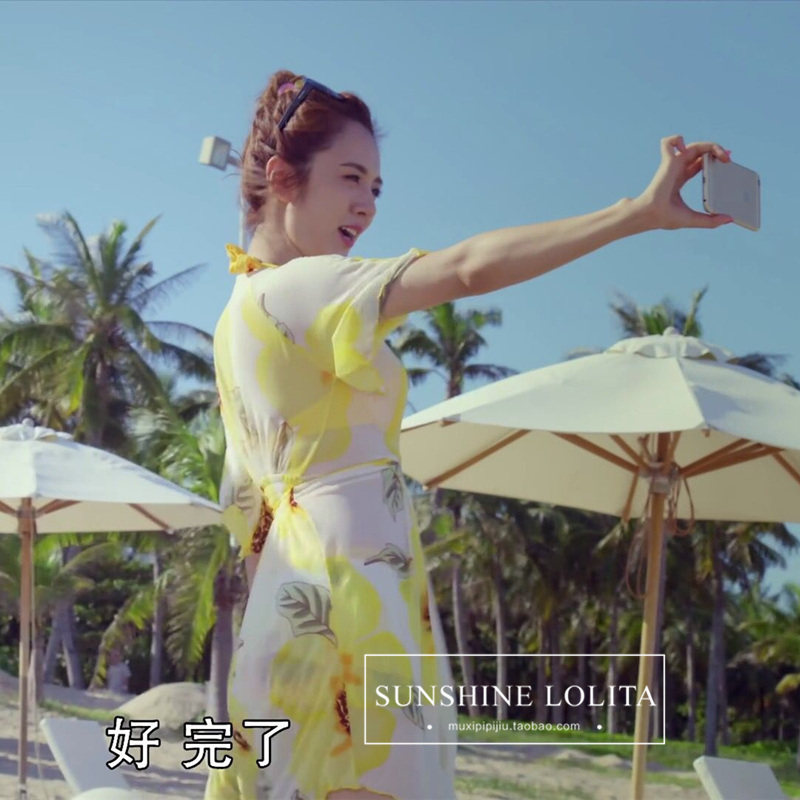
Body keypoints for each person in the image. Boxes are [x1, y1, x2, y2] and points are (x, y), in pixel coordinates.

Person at [205, 69, 733, 800]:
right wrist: (636, 214)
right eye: (350, 178)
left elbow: (241, 504)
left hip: (295, 598)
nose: (367, 204)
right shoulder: (299, 287)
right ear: (281, 177)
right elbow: (466, 270)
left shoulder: (237, 316)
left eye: (376, 188)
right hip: (350, 595)